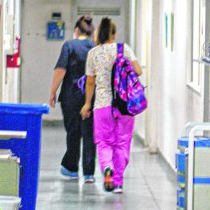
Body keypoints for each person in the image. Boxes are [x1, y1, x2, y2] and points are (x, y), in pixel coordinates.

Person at [80, 17, 142, 194]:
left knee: (104, 142)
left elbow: (90, 82)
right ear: (113, 34)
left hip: (102, 105)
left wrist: (87, 104)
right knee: (122, 143)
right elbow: (138, 71)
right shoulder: (124, 49)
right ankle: (118, 183)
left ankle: (107, 168)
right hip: (124, 105)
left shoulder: (93, 53)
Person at [49, 15, 96, 183]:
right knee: (89, 134)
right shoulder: (95, 47)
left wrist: (53, 91)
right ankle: (89, 173)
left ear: (76, 30)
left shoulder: (69, 45)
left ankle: (72, 169)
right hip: (91, 97)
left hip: (71, 96)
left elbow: (60, 70)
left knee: (73, 132)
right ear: (92, 32)